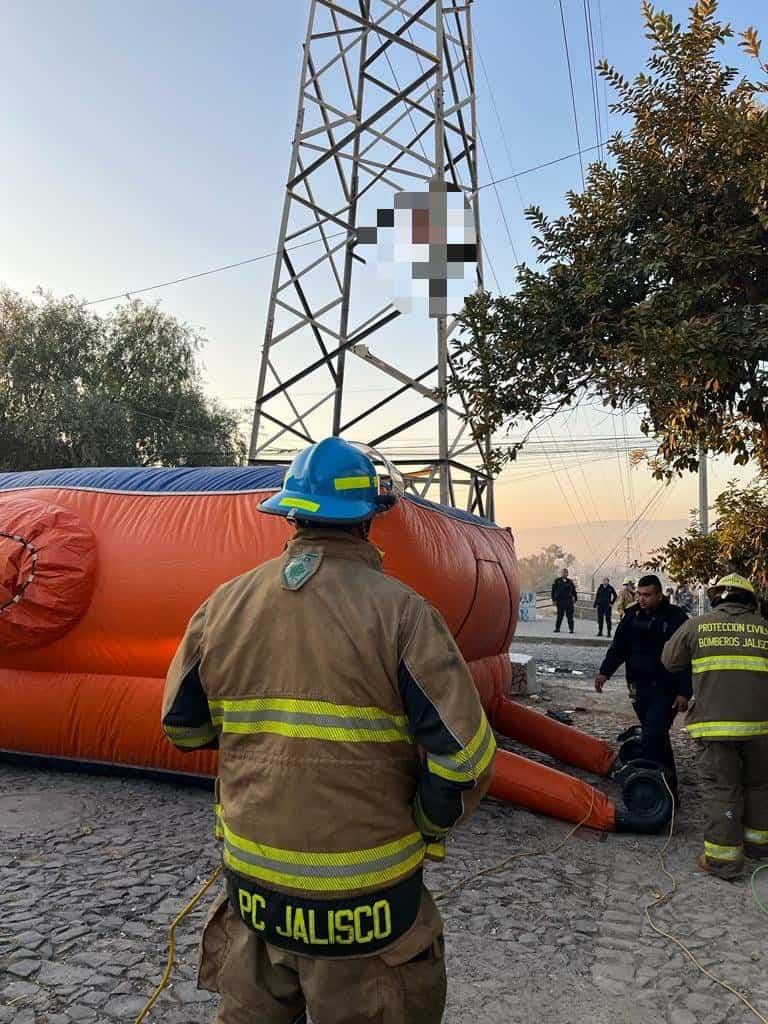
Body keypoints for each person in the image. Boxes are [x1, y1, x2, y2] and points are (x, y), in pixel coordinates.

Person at [161, 437, 495, 1024]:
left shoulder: (222, 606)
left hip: (256, 894)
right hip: (367, 910)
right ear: (369, 520)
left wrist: (259, 746)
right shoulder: (403, 614)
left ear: (290, 513)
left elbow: (182, 728)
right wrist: (427, 820)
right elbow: (463, 759)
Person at [661, 574, 768, 880]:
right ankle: (759, 848)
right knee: (760, 786)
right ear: (751, 601)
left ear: (716, 598)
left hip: (715, 726)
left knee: (723, 790)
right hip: (761, 727)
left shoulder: (698, 626)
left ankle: (723, 861)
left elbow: (669, 660)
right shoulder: (764, 630)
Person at [594, 574, 691, 803]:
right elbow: (618, 648)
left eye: (647, 595)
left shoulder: (676, 618)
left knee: (652, 737)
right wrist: (604, 672)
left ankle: (651, 792)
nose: (642, 599)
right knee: (658, 738)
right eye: (639, 594)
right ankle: (670, 791)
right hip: (639, 688)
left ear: (659, 594)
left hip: (666, 689)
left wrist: (685, 692)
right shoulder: (631, 616)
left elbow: (688, 657)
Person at [551, 567, 578, 634]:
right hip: (560, 602)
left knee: (570, 617)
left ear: (567, 574)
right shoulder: (557, 581)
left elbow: (574, 591)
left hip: (569, 602)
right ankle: (557, 629)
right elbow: (553, 591)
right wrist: (553, 600)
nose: (564, 574)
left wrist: (575, 598)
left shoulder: (570, 581)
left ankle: (571, 629)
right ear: (561, 573)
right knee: (559, 616)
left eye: (566, 572)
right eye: (563, 572)